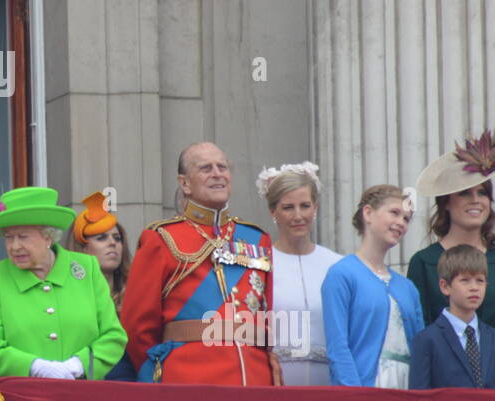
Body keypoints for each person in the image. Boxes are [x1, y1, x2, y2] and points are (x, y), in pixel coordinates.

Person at [121, 143, 279, 385]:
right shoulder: (161, 238)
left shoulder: (257, 238)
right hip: (189, 381)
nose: (217, 173)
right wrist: (156, 378)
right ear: (185, 183)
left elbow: (266, 314)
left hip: (254, 377)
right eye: (205, 168)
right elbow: (137, 327)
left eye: (222, 167)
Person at [408, 129, 495, 389]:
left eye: (483, 192)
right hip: (448, 384)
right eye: (465, 193)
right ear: (445, 203)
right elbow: (422, 325)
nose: (475, 200)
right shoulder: (424, 261)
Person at [0, 187, 125, 379]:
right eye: (8, 237)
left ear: (48, 236)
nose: (14, 246)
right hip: (23, 398)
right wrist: (35, 367)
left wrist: (79, 365)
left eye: (23, 236)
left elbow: (114, 336)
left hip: (84, 396)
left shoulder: (87, 268)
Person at [322, 185, 424, 388]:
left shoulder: (407, 287)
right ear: (368, 213)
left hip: (407, 391)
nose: (401, 223)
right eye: (395, 213)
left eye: (406, 218)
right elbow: (338, 347)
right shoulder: (342, 274)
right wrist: (355, 396)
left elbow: (420, 349)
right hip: (364, 388)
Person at [257, 162, 342, 385]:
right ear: (272, 211)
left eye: (305, 206)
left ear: (315, 207)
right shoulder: (260, 264)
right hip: (276, 384)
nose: (298, 215)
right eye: (288, 207)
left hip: (329, 384)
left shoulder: (337, 265)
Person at [409, 245, 495, 389]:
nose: (474, 287)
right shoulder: (427, 340)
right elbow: (420, 395)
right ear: (445, 286)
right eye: (465, 280)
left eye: (480, 280)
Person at [69, 189, 135, 380]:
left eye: (117, 238)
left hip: (130, 384)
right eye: (101, 238)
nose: (112, 243)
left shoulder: (133, 292)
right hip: (86, 384)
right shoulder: (70, 294)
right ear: (83, 247)